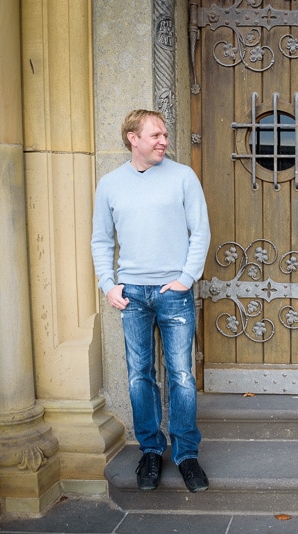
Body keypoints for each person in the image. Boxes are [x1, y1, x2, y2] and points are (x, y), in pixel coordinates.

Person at [91, 110, 211, 493]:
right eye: (156, 135)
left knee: (181, 376)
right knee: (139, 376)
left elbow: (200, 232)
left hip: (172, 293)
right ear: (132, 138)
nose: (164, 141)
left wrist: (185, 279)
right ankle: (150, 451)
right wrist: (108, 284)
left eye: (165, 135)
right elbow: (101, 240)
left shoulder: (182, 177)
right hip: (132, 296)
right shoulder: (110, 185)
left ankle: (187, 454)